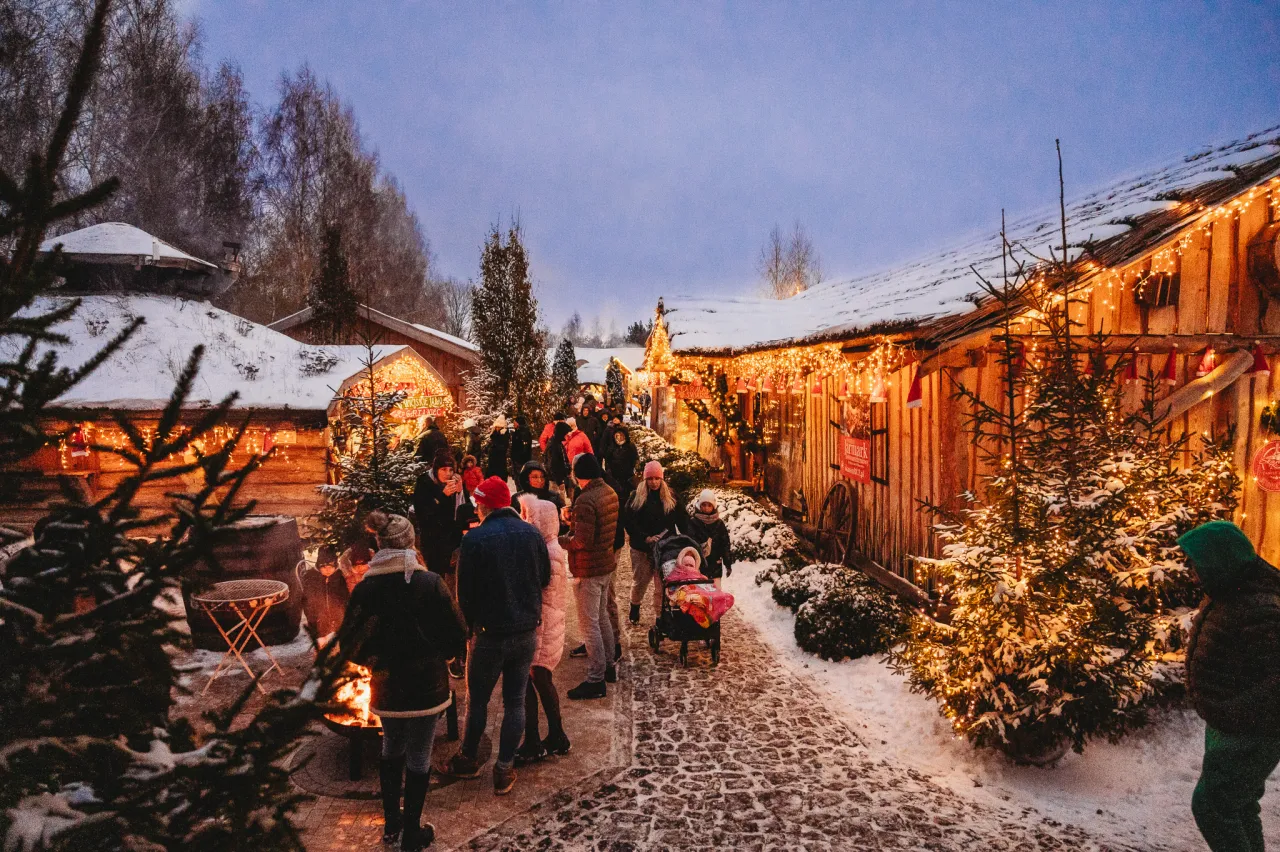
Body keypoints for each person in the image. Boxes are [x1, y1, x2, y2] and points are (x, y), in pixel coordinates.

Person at [340, 511, 466, 852]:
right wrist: (447, 655)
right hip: (427, 686)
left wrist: (375, 665)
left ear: (380, 545)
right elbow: (456, 633)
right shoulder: (430, 582)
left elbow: (348, 644)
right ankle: (412, 832)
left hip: (386, 685)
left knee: (390, 747)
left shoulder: (367, 587)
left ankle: (392, 824)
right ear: (410, 544)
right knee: (419, 755)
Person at [445, 477, 551, 795]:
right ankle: (503, 770)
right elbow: (544, 577)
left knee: (477, 701)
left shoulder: (475, 540)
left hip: (488, 635)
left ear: (484, 505)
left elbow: (465, 595)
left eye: (478, 503)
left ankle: (468, 759)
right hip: (525, 632)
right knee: (515, 701)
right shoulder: (532, 534)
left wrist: (469, 630)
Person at [1180, 520, 1280, 852]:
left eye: (1198, 564)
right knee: (1237, 804)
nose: (1193, 572)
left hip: (1249, 730)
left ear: (1220, 563)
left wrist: (1237, 712)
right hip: (1230, 724)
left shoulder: (1261, 608)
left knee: (1213, 806)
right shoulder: (1231, 591)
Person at [515, 498, 572, 765]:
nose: (525, 521)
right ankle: (553, 736)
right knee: (537, 678)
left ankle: (537, 741)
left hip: (542, 625)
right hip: (545, 622)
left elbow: (537, 586)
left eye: (529, 517)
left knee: (533, 678)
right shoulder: (548, 547)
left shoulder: (547, 551)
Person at [561, 453, 619, 700]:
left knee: (589, 624)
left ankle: (595, 679)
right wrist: (573, 517)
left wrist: (560, 539)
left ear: (579, 475)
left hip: (589, 568)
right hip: (605, 564)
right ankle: (608, 668)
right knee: (602, 618)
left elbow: (581, 540)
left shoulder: (585, 499)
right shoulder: (609, 492)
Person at [624, 460, 688, 624]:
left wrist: (689, 539)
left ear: (662, 479)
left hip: (665, 547)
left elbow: (683, 521)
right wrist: (645, 537)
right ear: (645, 479)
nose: (653, 482)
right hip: (642, 547)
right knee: (641, 581)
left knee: (662, 585)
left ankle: (660, 616)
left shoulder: (671, 497)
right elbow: (630, 522)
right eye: (650, 479)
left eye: (656, 478)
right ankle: (635, 605)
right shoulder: (636, 497)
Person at [686, 489, 733, 589]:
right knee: (701, 595)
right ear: (700, 505)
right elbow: (690, 542)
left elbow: (725, 544)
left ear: (713, 506)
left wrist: (728, 563)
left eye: (709, 505)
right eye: (704, 505)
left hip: (715, 564)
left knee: (716, 593)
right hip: (699, 564)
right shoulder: (693, 522)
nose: (706, 508)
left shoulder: (719, 524)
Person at [602, 425, 639, 492]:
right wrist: (609, 471)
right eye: (617, 436)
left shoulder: (630, 446)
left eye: (621, 436)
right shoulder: (612, 447)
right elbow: (607, 460)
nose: (619, 438)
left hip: (627, 476)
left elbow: (635, 458)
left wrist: (632, 469)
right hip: (614, 476)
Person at [545, 421, 572, 491]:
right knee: (558, 500)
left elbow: (563, 459)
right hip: (555, 481)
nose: (567, 435)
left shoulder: (558, 443)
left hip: (559, 479)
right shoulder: (553, 445)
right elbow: (553, 465)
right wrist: (559, 481)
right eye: (565, 434)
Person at [485, 415, 510, 481]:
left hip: (499, 458)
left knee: (499, 475)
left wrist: (494, 447)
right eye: (496, 427)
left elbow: (504, 446)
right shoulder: (494, 434)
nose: (497, 428)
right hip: (493, 458)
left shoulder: (504, 434)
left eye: (499, 427)